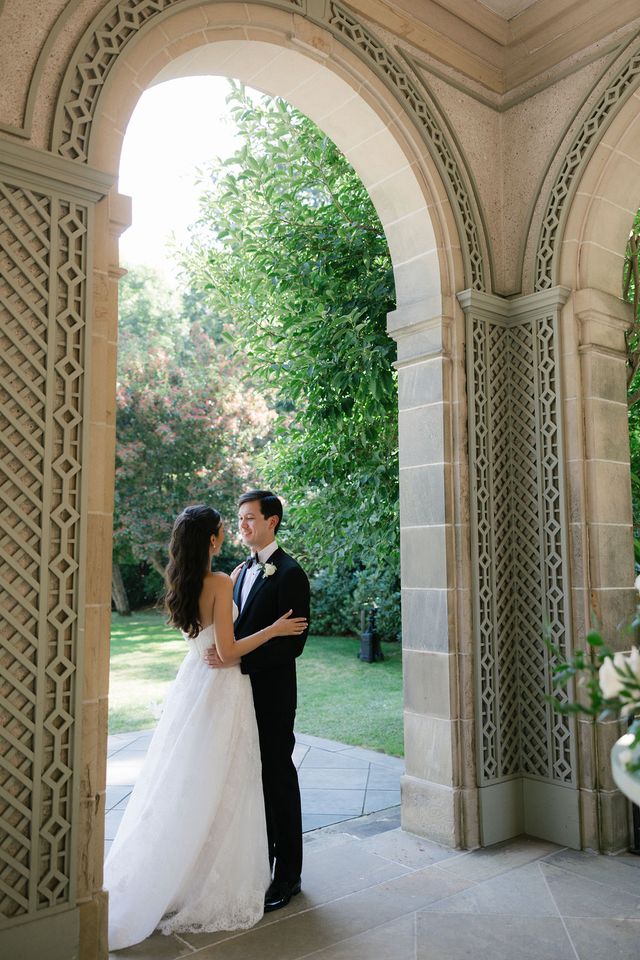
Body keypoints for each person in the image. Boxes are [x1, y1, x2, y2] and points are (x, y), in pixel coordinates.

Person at [104, 505, 307, 951]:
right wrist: (273, 629)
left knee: (191, 779)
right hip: (223, 687)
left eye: (247, 519)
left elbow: (212, 639)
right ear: (212, 540)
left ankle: (182, 868)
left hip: (194, 685)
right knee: (227, 778)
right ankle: (216, 871)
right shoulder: (220, 582)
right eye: (228, 526)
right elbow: (229, 648)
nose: (236, 529)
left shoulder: (185, 580)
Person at [205, 490, 310, 912]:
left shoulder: (289, 574)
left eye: (250, 518)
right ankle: (255, 864)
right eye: (240, 518)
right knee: (249, 779)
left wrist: (236, 660)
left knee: (278, 779)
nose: (243, 525)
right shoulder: (239, 570)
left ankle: (288, 875)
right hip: (239, 695)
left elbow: (293, 644)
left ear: (273, 521)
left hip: (271, 695)